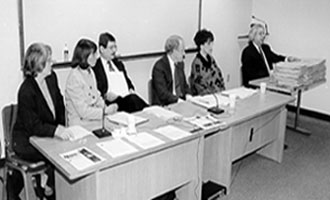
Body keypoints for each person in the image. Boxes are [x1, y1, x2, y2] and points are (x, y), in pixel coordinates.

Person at [9, 43, 73, 200]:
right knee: (56, 156)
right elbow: (33, 126)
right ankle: (47, 189)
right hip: (26, 140)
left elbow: (59, 106)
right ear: (39, 65)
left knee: (67, 150)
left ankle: (48, 186)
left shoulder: (52, 78)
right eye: (49, 60)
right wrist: (56, 131)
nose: (53, 62)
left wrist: (63, 128)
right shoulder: (26, 90)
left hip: (45, 134)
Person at [65, 39, 118, 131]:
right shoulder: (74, 78)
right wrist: (104, 111)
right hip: (80, 125)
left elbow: (96, 97)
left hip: (93, 120)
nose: (96, 57)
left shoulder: (90, 71)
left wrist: (107, 107)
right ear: (84, 56)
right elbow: (83, 111)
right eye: (93, 54)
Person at [93, 32, 148, 113]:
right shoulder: (95, 67)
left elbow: (128, 82)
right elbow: (96, 91)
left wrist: (131, 88)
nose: (114, 50)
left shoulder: (118, 64)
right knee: (134, 100)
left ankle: (151, 110)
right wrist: (106, 95)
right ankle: (152, 110)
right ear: (102, 49)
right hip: (112, 103)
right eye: (111, 48)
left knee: (133, 99)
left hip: (126, 98)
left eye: (115, 47)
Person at [151, 35, 191, 106]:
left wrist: (188, 95)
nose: (184, 54)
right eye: (182, 51)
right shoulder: (159, 67)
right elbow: (162, 94)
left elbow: (184, 85)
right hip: (166, 104)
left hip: (180, 102)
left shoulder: (180, 64)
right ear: (174, 51)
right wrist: (178, 101)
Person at [190, 29, 225, 95]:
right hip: (206, 98)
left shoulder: (211, 60)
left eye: (212, 43)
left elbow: (219, 77)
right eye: (209, 44)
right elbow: (199, 87)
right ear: (201, 46)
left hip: (218, 94)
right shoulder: (196, 64)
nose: (211, 46)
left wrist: (222, 91)